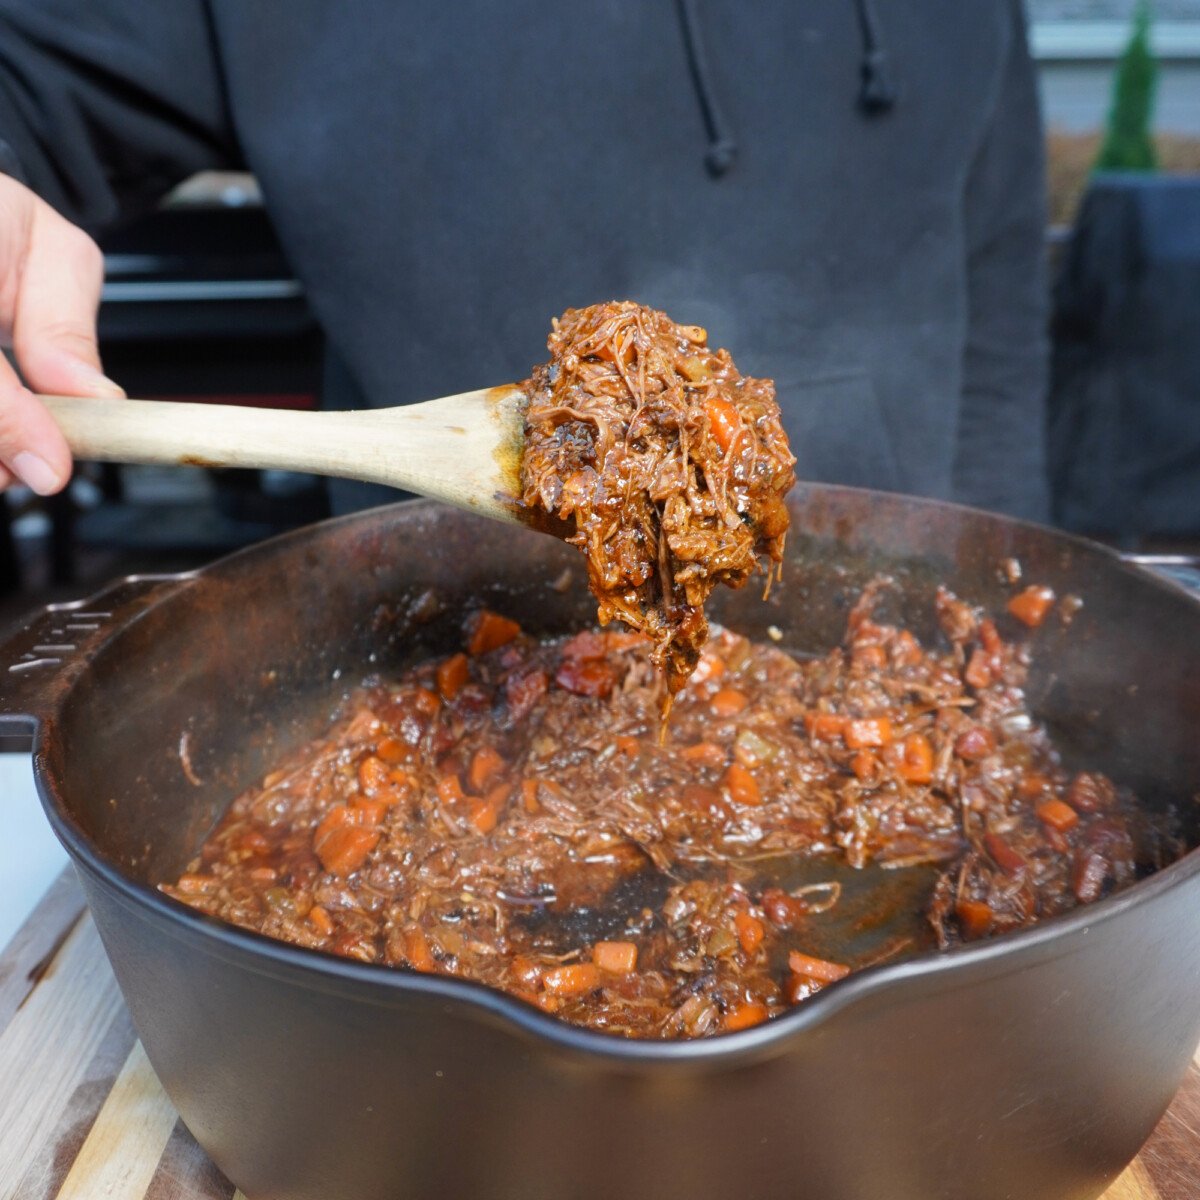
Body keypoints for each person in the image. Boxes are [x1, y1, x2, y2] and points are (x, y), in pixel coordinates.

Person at [0, 0, 1050, 520]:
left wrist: (990, 583)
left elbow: (997, 279)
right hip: (407, 621)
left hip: (885, 593)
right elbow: (32, 77)